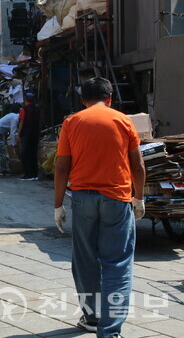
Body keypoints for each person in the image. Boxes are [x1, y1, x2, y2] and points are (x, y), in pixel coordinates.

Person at [54, 77, 145, 338]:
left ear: (83, 100)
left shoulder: (72, 122)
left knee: (84, 259)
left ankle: (92, 317)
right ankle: (110, 330)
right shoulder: (123, 120)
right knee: (117, 263)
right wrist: (138, 198)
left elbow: (62, 166)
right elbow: (138, 166)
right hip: (117, 198)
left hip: (82, 198)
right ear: (110, 98)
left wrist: (58, 205)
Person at [0, 104, 21, 176]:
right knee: (0, 150)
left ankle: (1, 169)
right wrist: (14, 144)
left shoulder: (12, 115)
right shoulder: (15, 117)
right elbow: (13, 132)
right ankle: (3, 170)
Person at [18, 93, 41, 180]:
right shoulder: (37, 109)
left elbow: (22, 122)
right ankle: (35, 174)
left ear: (25, 100)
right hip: (35, 133)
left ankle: (28, 174)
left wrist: (18, 134)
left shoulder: (24, 109)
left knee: (25, 154)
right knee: (33, 153)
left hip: (26, 133)